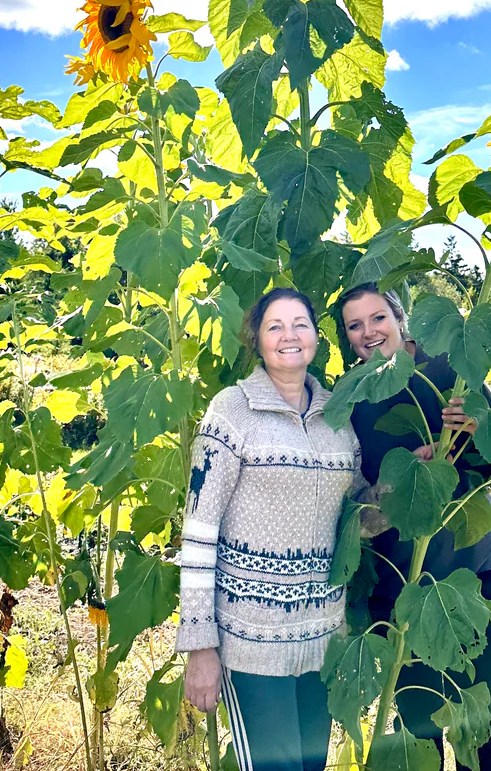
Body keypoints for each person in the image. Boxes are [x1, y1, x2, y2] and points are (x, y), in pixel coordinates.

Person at [177, 287, 369, 771]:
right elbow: (199, 535)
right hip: (250, 643)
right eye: (275, 326)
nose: (289, 336)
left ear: (317, 339)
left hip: (322, 639)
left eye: (300, 324)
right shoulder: (231, 412)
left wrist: (410, 479)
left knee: (311, 765)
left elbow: (356, 518)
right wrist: (200, 646)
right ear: (257, 341)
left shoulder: (338, 419)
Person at [336, 282, 491, 771]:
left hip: (468, 567)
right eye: (355, 325)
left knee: (475, 712)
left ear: (400, 319)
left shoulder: (449, 369)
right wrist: (401, 481)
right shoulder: (353, 396)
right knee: (415, 715)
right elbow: (355, 497)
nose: (369, 332)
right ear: (348, 337)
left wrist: (481, 424)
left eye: (378, 319)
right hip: (397, 579)